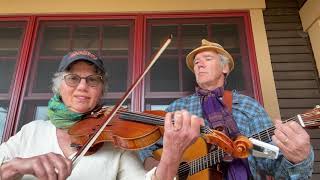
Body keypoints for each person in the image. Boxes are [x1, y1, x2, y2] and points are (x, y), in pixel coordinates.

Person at [0, 50, 204, 180]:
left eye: (92, 80)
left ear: (100, 90)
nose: (82, 87)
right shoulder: (32, 131)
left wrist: (171, 155)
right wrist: (16, 166)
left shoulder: (115, 144)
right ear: (58, 86)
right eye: (73, 78)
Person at [139, 39, 314, 179]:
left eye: (207, 59)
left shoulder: (248, 106)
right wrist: (160, 170)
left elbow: (270, 160)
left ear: (225, 67)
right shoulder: (178, 108)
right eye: (196, 62)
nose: (199, 65)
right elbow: (145, 148)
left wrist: (298, 159)